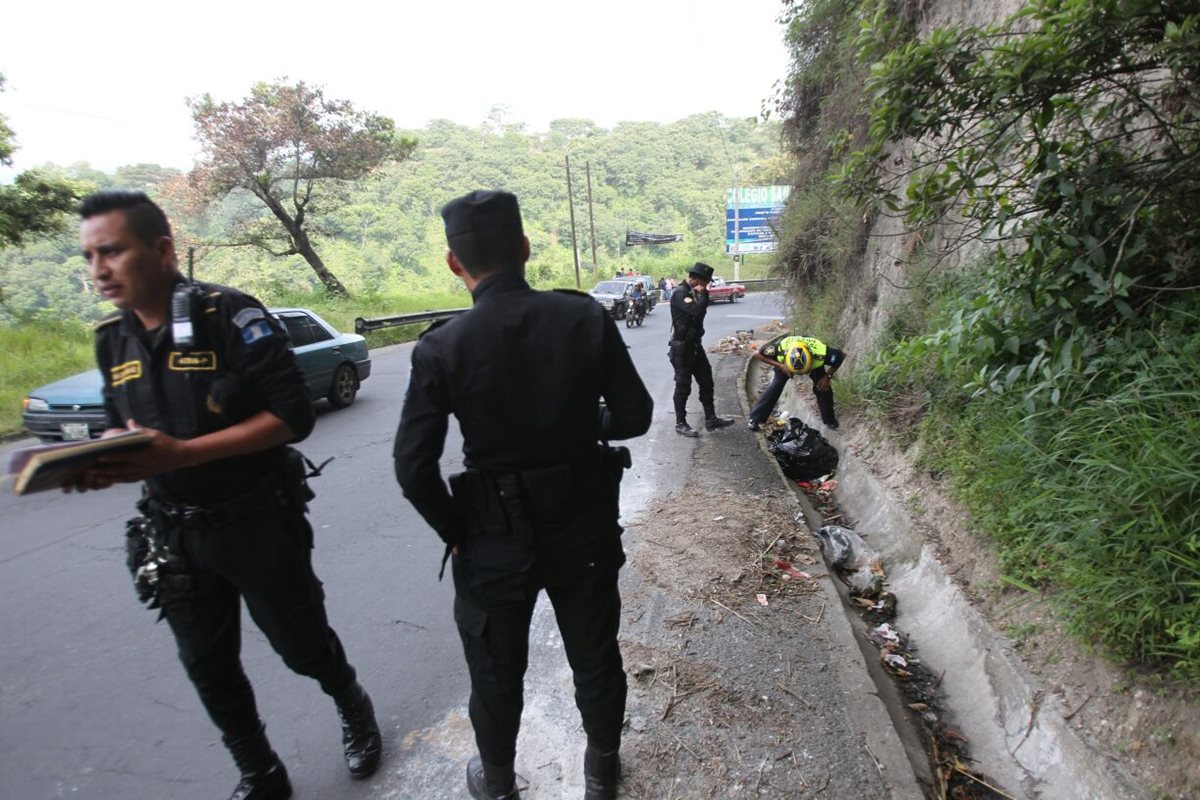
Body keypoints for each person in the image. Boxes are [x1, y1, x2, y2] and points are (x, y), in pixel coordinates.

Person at [69, 190, 381, 800]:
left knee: (301, 646)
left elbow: (293, 415)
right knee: (207, 666)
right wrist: (100, 458)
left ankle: (352, 703)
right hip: (174, 533)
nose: (98, 270)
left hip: (256, 521)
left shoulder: (228, 314)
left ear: (161, 250)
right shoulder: (113, 340)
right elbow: (120, 426)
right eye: (89, 256)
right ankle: (260, 771)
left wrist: (184, 454)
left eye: (112, 251)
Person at [393, 190, 652, 800]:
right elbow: (636, 414)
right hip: (582, 523)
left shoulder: (441, 346)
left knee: (495, 669)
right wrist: (579, 424)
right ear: (526, 249)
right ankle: (601, 771)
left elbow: (412, 467)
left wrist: (458, 532)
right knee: (594, 654)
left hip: (492, 537)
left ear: (454, 263)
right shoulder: (583, 317)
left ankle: (500, 784)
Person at [667, 261, 736, 437]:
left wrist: (702, 294)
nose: (707, 286)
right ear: (697, 280)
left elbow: (699, 315)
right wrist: (704, 294)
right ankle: (680, 423)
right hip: (682, 348)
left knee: (706, 381)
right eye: (705, 282)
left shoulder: (693, 293)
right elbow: (697, 312)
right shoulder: (681, 293)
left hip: (696, 346)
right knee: (683, 386)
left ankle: (711, 418)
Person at [748, 332, 846, 431]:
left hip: (814, 365)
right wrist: (781, 366)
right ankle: (755, 419)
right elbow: (757, 354)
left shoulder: (821, 352)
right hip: (785, 366)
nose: (800, 374)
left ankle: (830, 420)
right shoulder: (779, 349)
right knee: (776, 386)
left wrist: (827, 376)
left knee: (823, 388)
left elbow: (842, 355)